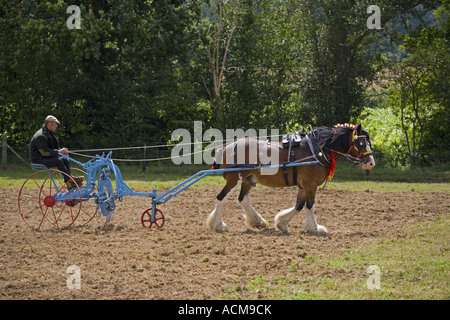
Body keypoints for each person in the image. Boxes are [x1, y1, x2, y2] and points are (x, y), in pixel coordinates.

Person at [29, 115, 83, 189]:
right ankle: (70, 181)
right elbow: (44, 152)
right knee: (58, 161)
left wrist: (61, 151)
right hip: (38, 159)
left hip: (46, 158)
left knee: (64, 159)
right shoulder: (40, 136)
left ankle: (69, 181)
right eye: (55, 124)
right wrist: (59, 151)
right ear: (50, 123)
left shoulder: (50, 134)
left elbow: (54, 148)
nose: (56, 126)